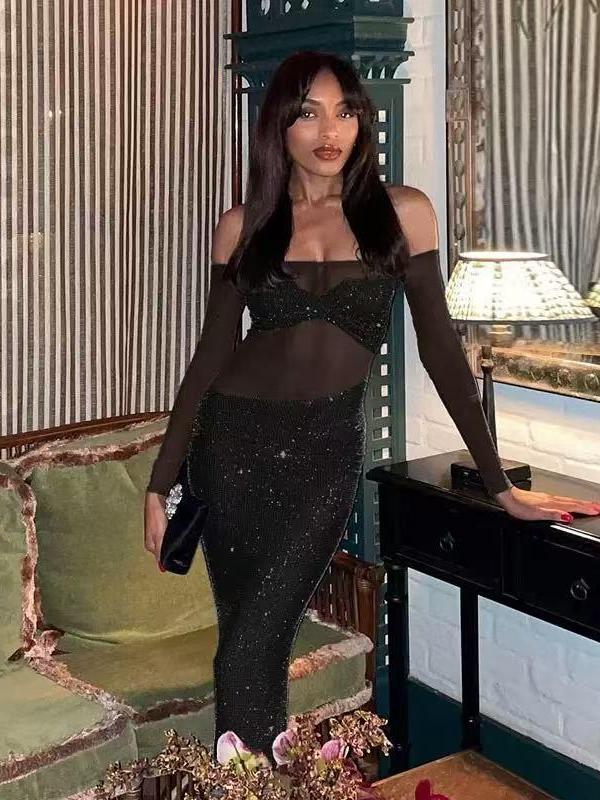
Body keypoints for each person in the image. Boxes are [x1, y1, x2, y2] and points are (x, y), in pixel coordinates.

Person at [144, 51, 600, 763]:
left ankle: (244, 782)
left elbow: (442, 352)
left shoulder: (404, 213)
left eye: (346, 111)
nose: (330, 131)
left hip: (322, 458)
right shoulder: (243, 226)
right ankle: (260, 780)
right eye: (308, 113)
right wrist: (160, 483)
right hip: (228, 453)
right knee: (246, 642)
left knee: (251, 645)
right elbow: (207, 362)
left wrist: (500, 485)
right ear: (279, 127)